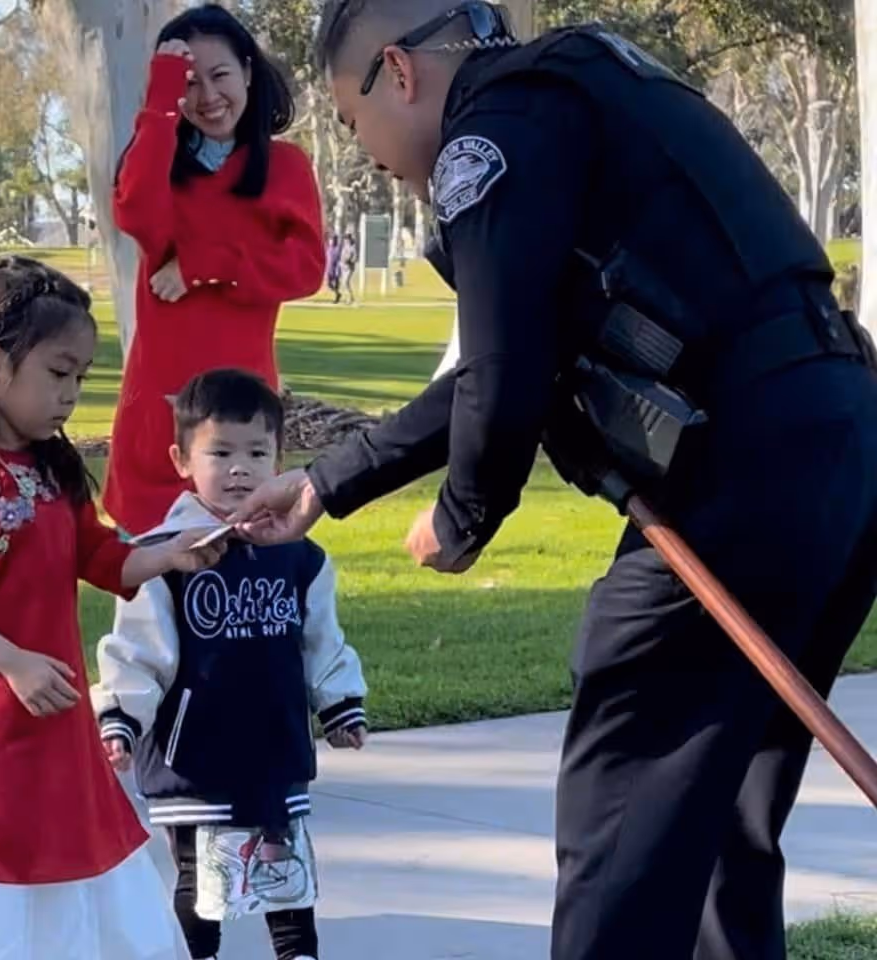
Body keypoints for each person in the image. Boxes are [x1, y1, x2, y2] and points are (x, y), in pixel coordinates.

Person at [229, 4, 877, 960]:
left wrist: (464, 514)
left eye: (349, 119)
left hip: (742, 464)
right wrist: (327, 482)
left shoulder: (487, 137)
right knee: (713, 812)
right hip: (841, 434)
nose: (363, 154)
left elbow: (506, 369)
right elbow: (525, 344)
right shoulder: (585, 84)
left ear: (398, 73)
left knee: (625, 798)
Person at [0, 256, 230, 960]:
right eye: (57, 372)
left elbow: (99, 554)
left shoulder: (52, 467)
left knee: (77, 855)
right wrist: (11, 664)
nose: (71, 394)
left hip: (56, 711)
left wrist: (169, 553)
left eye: (82, 377)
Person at [92, 368, 368, 960]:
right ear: (182, 458)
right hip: (196, 757)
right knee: (202, 886)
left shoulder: (302, 559)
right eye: (220, 452)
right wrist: (120, 718)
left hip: (274, 749)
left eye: (255, 452)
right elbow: (138, 652)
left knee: (288, 877)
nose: (239, 467)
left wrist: (340, 703)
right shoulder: (165, 556)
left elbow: (321, 641)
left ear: (280, 458)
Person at [105, 3, 327, 536]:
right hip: (159, 408)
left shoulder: (285, 167)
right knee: (150, 588)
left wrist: (205, 266)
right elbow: (134, 214)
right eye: (187, 83)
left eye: (220, 75)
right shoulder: (156, 168)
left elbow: (305, 267)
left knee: (241, 564)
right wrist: (160, 104)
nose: (207, 97)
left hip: (242, 416)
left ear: (248, 72)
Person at [339, 234, 357, 305]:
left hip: (350, 268)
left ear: (350, 239)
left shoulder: (352, 248)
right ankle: (350, 298)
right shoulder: (344, 247)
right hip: (344, 267)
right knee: (345, 283)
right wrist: (341, 262)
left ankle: (350, 299)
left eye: (347, 239)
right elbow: (342, 256)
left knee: (346, 282)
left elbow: (355, 258)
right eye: (345, 239)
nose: (346, 240)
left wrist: (349, 260)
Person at [325, 234, 343, 304]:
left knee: (336, 284)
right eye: (331, 240)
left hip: (336, 269)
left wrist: (338, 269)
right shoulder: (329, 248)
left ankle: (337, 298)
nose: (331, 241)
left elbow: (339, 259)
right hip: (329, 269)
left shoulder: (338, 249)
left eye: (333, 240)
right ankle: (338, 293)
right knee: (329, 284)